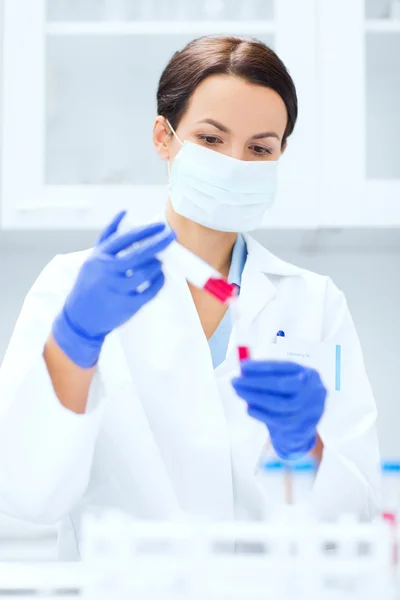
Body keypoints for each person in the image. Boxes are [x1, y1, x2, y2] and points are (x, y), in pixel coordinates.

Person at [0, 36, 380, 560]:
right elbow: (24, 495)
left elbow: (355, 526)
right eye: (210, 139)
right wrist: (74, 340)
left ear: (280, 155)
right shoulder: (75, 287)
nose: (235, 162)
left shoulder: (314, 303)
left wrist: (305, 448)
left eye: (260, 148)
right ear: (164, 136)